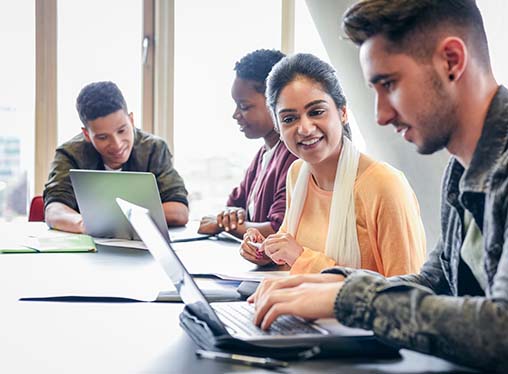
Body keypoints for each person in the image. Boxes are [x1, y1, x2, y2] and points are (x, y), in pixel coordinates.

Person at [249, 0, 508, 372]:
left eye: (390, 84)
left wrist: (353, 299)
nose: (381, 115)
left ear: (452, 60)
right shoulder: (460, 167)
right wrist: (329, 286)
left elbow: (501, 331)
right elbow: (436, 283)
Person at [241, 53, 426, 276]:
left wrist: (301, 258)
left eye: (316, 112)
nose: (305, 129)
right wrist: (264, 251)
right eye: (289, 119)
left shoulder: (384, 185)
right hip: (300, 306)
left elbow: (406, 294)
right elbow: (291, 260)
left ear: (343, 113)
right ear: (278, 128)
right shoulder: (297, 174)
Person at [44, 81, 189, 233]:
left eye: (122, 130)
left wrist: (111, 220)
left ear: (131, 120)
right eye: (102, 137)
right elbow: (54, 210)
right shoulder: (70, 154)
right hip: (91, 248)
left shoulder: (154, 149)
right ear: (87, 134)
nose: (117, 144)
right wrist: (85, 224)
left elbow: (179, 211)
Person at [198, 49, 298, 239]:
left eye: (244, 106)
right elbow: (234, 205)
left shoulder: (294, 156)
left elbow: (278, 230)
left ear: (275, 102)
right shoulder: (263, 154)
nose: (236, 114)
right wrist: (229, 217)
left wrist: (223, 225)